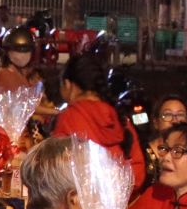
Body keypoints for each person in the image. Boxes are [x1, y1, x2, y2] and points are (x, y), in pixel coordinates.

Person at [51, 52, 146, 191]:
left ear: (68, 84)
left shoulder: (69, 117)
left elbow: (56, 170)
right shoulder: (120, 118)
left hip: (79, 202)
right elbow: (138, 172)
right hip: (121, 202)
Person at [0, 25, 43, 101]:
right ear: (8, 51)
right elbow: (21, 102)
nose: (22, 55)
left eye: (26, 51)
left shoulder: (25, 74)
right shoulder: (3, 73)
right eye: (18, 50)